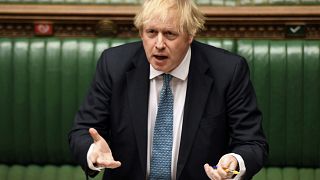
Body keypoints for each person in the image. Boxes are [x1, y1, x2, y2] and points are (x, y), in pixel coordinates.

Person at [68, 0, 268, 179]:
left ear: (190, 35)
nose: (159, 44)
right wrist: (93, 151)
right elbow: (82, 132)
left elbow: (252, 143)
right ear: (141, 33)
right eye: (151, 33)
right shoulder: (113, 65)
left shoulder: (228, 71)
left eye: (170, 34)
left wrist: (234, 164)